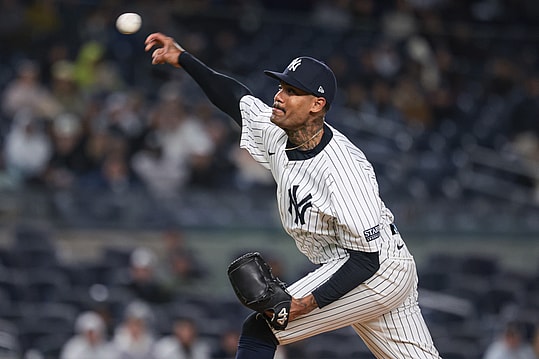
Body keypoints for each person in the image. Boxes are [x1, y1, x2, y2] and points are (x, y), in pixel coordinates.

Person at [145, 32, 441, 359]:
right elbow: (234, 97)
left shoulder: (342, 169)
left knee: (260, 328)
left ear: (317, 104)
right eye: (281, 87)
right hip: (366, 264)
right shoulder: (276, 131)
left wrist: (303, 304)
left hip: (377, 268)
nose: (279, 97)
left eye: (292, 91)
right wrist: (183, 58)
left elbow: (366, 258)